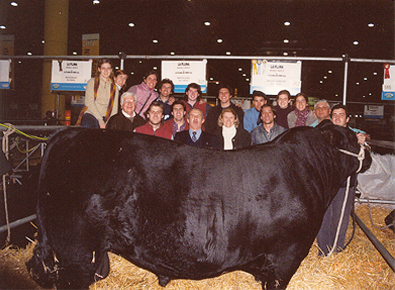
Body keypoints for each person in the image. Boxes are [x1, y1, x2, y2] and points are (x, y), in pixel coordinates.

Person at [317, 104, 370, 256]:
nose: (337, 118)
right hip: (325, 184)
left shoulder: (355, 137)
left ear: (347, 119)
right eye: (334, 115)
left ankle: (336, 250)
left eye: (341, 115)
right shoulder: (323, 135)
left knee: (339, 219)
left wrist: (363, 145)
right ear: (330, 117)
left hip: (345, 186)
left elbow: (365, 163)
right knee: (323, 217)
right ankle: (323, 251)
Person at [77, 58, 119, 128]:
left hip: (106, 117)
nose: (106, 71)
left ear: (111, 70)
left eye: (108, 68)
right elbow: (89, 102)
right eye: (103, 68)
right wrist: (100, 120)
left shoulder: (115, 88)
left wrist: (109, 122)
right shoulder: (92, 82)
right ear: (99, 69)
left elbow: (114, 109)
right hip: (91, 114)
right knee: (91, 128)